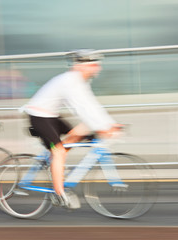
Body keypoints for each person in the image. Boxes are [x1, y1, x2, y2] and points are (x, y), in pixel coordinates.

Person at [24, 49, 122, 209]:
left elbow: (92, 105)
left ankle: (52, 162)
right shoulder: (70, 80)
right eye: (94, 65)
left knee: (80, 132)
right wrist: (102, 127)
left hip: (51, 116)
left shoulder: (80, 81)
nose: (98, 68)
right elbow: (81, 108)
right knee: (60, 151)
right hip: (38, 116)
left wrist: (109, 124)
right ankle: (59, 194)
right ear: (82, 66)